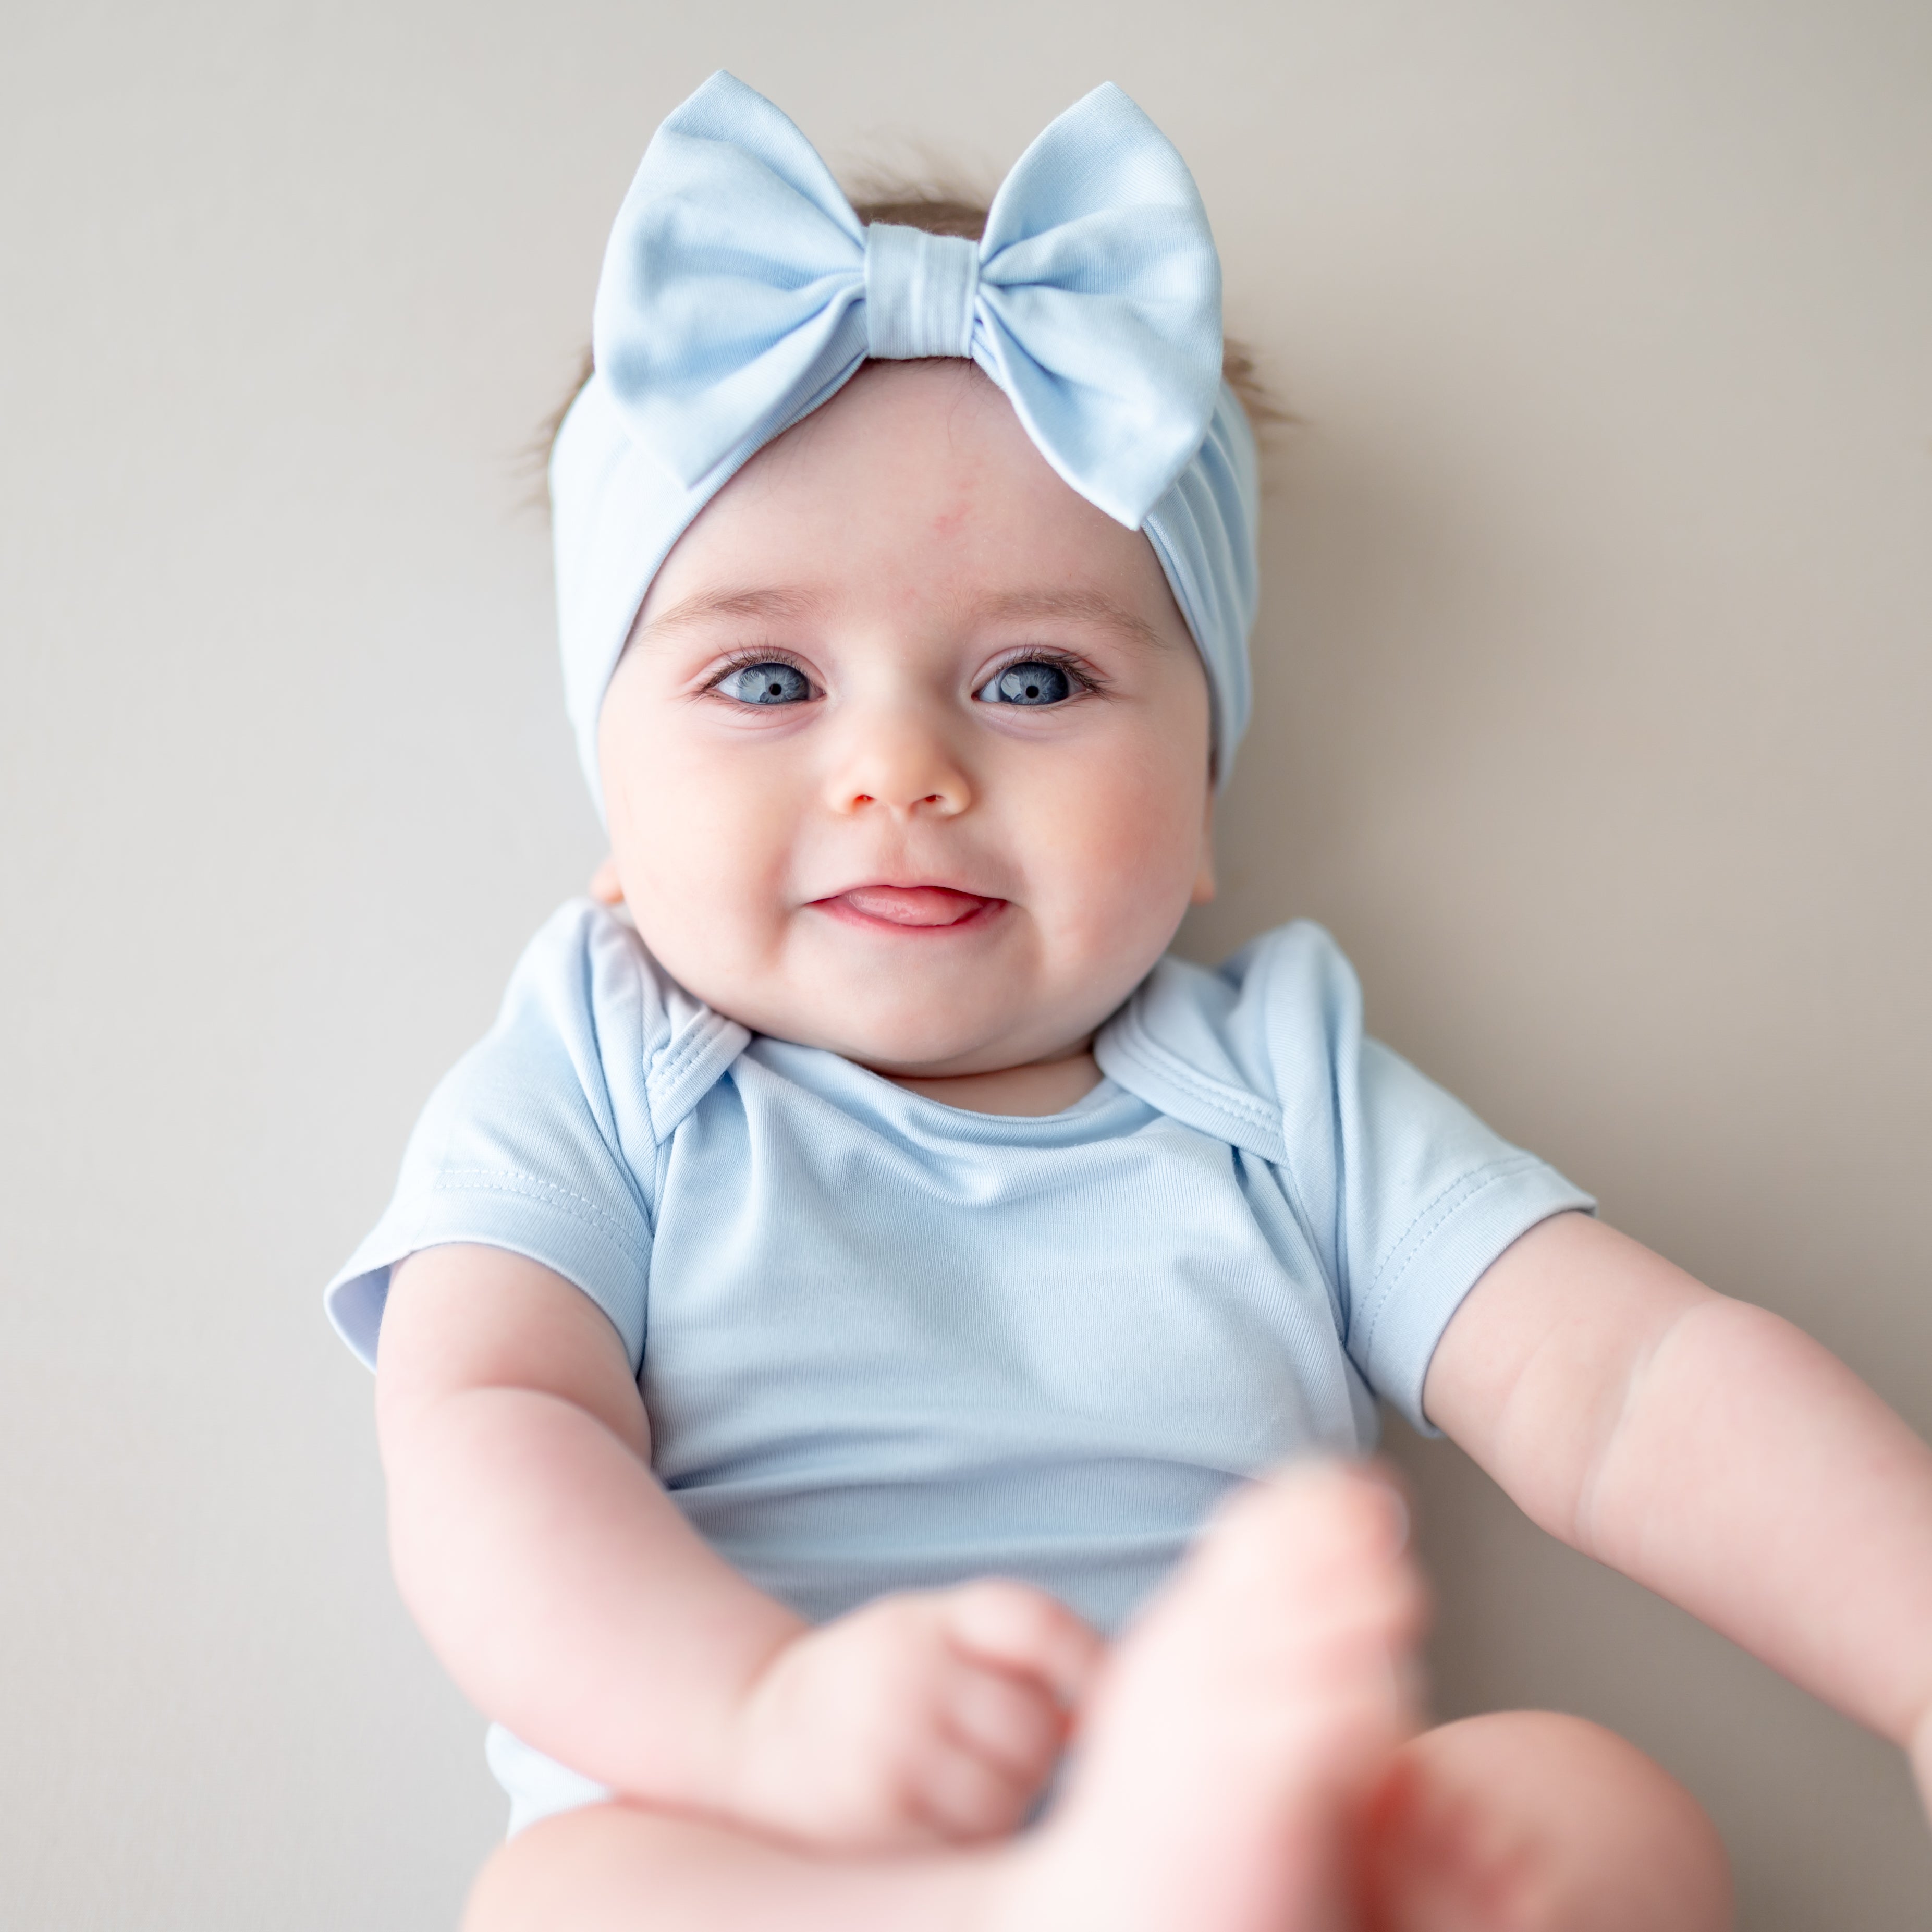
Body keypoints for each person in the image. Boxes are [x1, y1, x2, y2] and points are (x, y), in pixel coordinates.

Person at [328, 72, 1932, 1930]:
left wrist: (1908, 1642)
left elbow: (1626, 1387)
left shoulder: (1275, 1085)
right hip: (775, 1838)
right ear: (610, 802)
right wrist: (759, 1711)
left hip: (1276, 1865)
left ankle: (1166, 1875)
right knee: (573, 1894)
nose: (899, 767)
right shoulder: (603, 1068)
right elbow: (487, 1431)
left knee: (1584, 1805)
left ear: (1198, 809)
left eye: (1031, 680)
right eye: (767, 681)